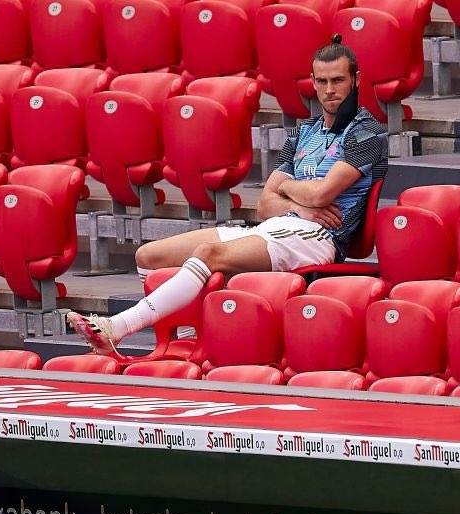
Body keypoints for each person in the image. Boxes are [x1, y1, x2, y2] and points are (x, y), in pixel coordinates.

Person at [66, 37, 388, 356]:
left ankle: (116, 328)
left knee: (208, 254)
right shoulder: (302, 132)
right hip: (278, 226)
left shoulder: (366, 133)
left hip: (319, 237)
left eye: (338, 80)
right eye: (322, 81)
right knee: (149, 256)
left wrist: (288, 189)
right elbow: (265, 204)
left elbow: (321, 194)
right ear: (313, 83)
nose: (329, 90)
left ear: (356, 80)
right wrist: (296, 203)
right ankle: (188, 339)